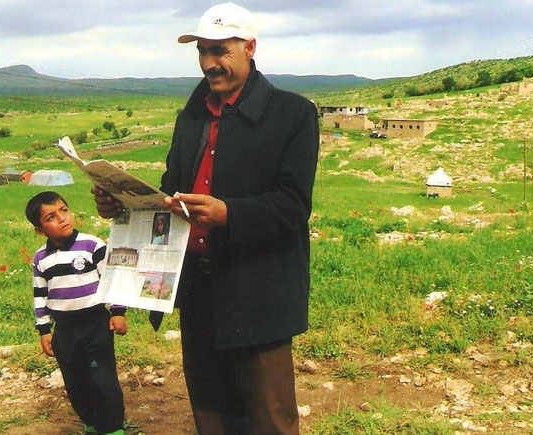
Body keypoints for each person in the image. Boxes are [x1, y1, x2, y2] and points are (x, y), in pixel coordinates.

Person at [93, 2, 319, 433]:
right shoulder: (191, 116)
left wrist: (228, 213)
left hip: (257, 290)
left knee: (268, 418)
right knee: (211, 414)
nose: (209, 63)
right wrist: (121, 204)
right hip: (198, 287)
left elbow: (292, 205)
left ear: (249, 48)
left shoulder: (293, 114)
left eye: (221, 51)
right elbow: (170, 188)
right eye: (202, 51)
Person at [26, 191, 128, 435]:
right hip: (65, 330)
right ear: (40, 230)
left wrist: (118, 312)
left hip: (95, 325)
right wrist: (44, 330)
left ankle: (113, 428)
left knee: (102, 379)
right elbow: (40, 295)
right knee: (75, 381)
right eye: (51, 216)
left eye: (64, 210)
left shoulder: (92, 245)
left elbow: (111, 278)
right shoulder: (41, 259)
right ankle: (90, 423)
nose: (62, 218)